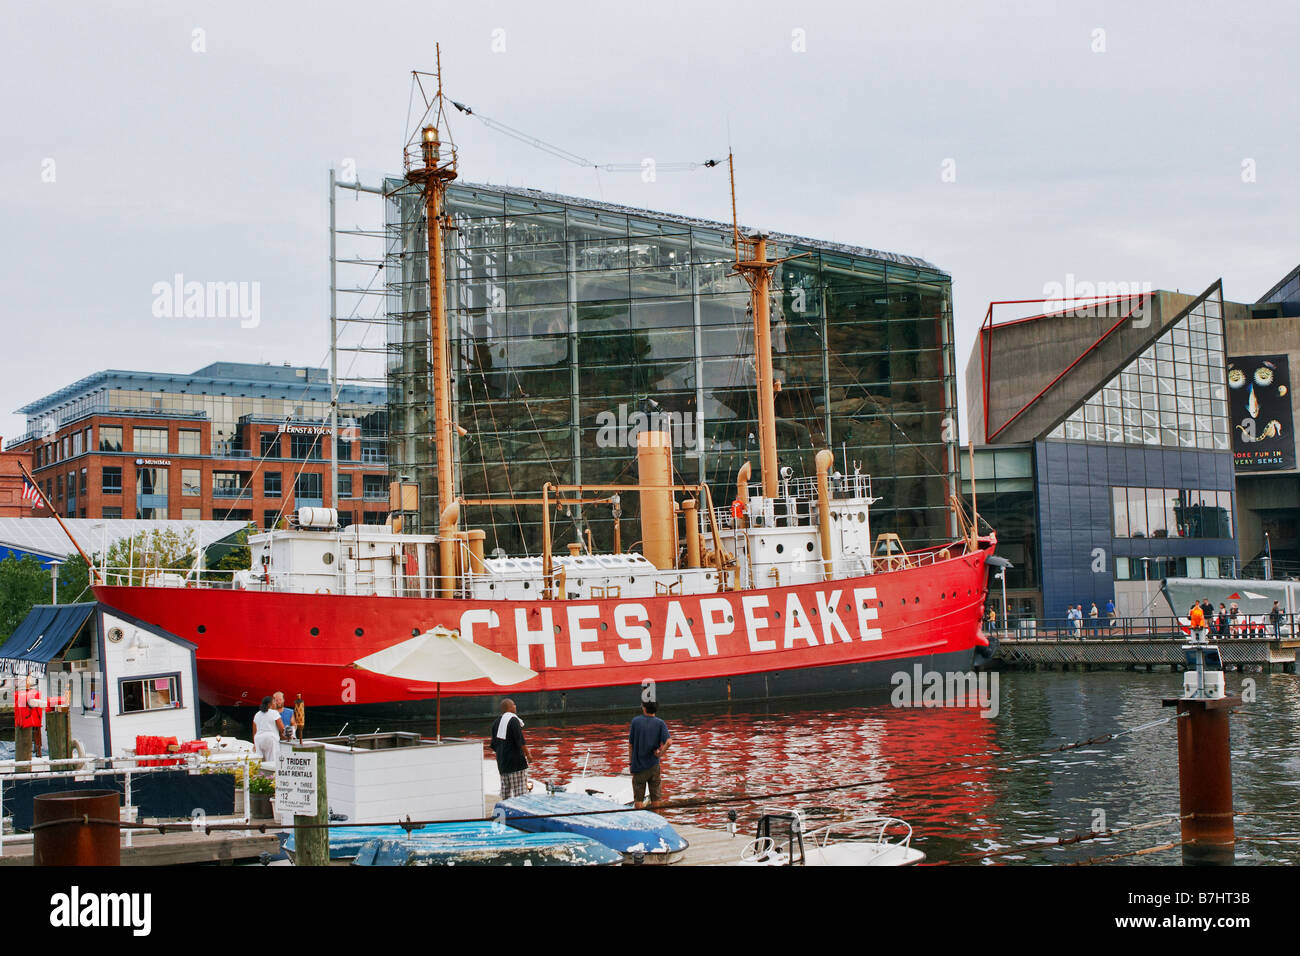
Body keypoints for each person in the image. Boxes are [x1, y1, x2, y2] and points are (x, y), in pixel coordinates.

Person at [629, 699, 670, 808]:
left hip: (638, 766)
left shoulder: (635, 721)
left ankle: (641, 822)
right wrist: (660, 753)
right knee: (655, 797)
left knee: (638, 798)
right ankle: (657, 821)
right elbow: (669, 742)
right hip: (654, 766)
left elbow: (631, 745)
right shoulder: (660, 723)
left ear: (644, 707)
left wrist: (630, 763)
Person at [490, 699, 530, 800]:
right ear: (509, 707)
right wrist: (528, 755)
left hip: (502, 764)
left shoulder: (495, 723)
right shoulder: (513, 720)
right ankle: (520, 814)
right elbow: (520, 740)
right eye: (514, 704)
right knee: (520, 792)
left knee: (505, 793)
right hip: (516, 764)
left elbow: (494, 745)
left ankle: (506, 812)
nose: (515, 706)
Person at [13, 676, 47, 763]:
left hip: (26, 722)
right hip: (23, 726)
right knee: (24, 745)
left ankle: (37, 751)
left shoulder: (29, 697)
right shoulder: (24, 697)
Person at [252, 696, 283, 764]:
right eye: (274, 702)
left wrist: (254, 744)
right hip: (270, 739)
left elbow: (254, 731)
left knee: (259, 762)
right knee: (273, 761)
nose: (276, 703)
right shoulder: (274, 713)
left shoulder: (257, 714)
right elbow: (281, 728)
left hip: (258, 739)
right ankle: (273, 774)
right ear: (269, 704)